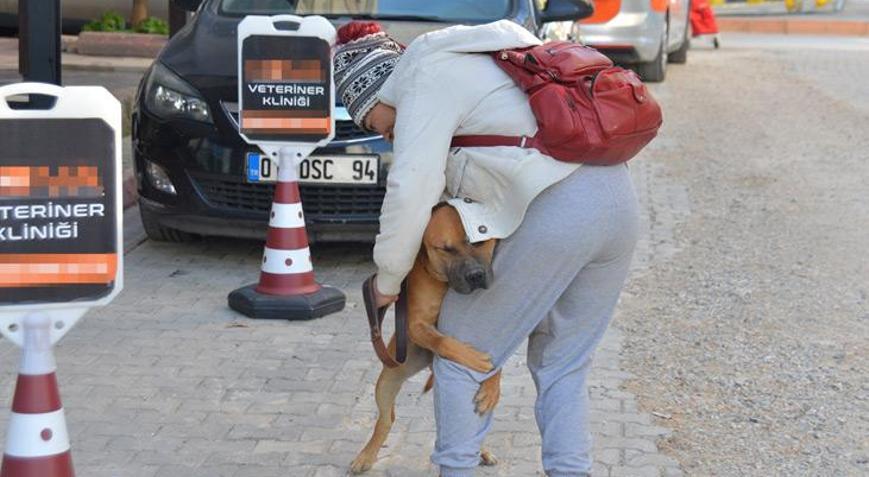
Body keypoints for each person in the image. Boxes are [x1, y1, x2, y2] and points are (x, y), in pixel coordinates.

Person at [334, 20, 640, 477]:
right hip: (617, 201)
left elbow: (410, 189)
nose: (383, 135)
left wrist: (388, 279)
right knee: (564, 363)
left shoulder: (421, 78)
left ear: (377, 93)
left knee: (465, 354)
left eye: (372, 123)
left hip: (559, 207)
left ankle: (456, 469)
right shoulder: (490, 57)